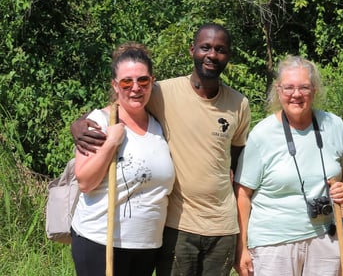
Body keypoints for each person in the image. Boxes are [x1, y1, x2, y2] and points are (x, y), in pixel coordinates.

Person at [71, 23, 251, 276]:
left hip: (167, 239)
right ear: (192, 50)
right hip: (138, 234)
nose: (137, 87)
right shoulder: (161, 94)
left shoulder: (237, 104)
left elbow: (236, 166)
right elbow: (116, 108)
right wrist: (79, 125)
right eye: (205, 47)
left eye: (220, 49)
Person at [234, 55, 343, 276]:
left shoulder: (334, 125)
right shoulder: (262, 135)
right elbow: (243, 193)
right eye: (289, 88)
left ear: (315, 90)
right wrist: (241, 247)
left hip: (325, 237)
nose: (296, 94)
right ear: (278, 90)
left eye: (304, 87)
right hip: (273, 243)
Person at [71, 42, 175, 276]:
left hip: (146, 247)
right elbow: (85, 182)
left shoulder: (158, 126)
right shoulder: (99, 122)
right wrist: (110, 143)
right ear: (115, 85)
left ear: (152, 82)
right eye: (127, 82)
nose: (135, 88)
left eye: (143, 81)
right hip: (101, 242)